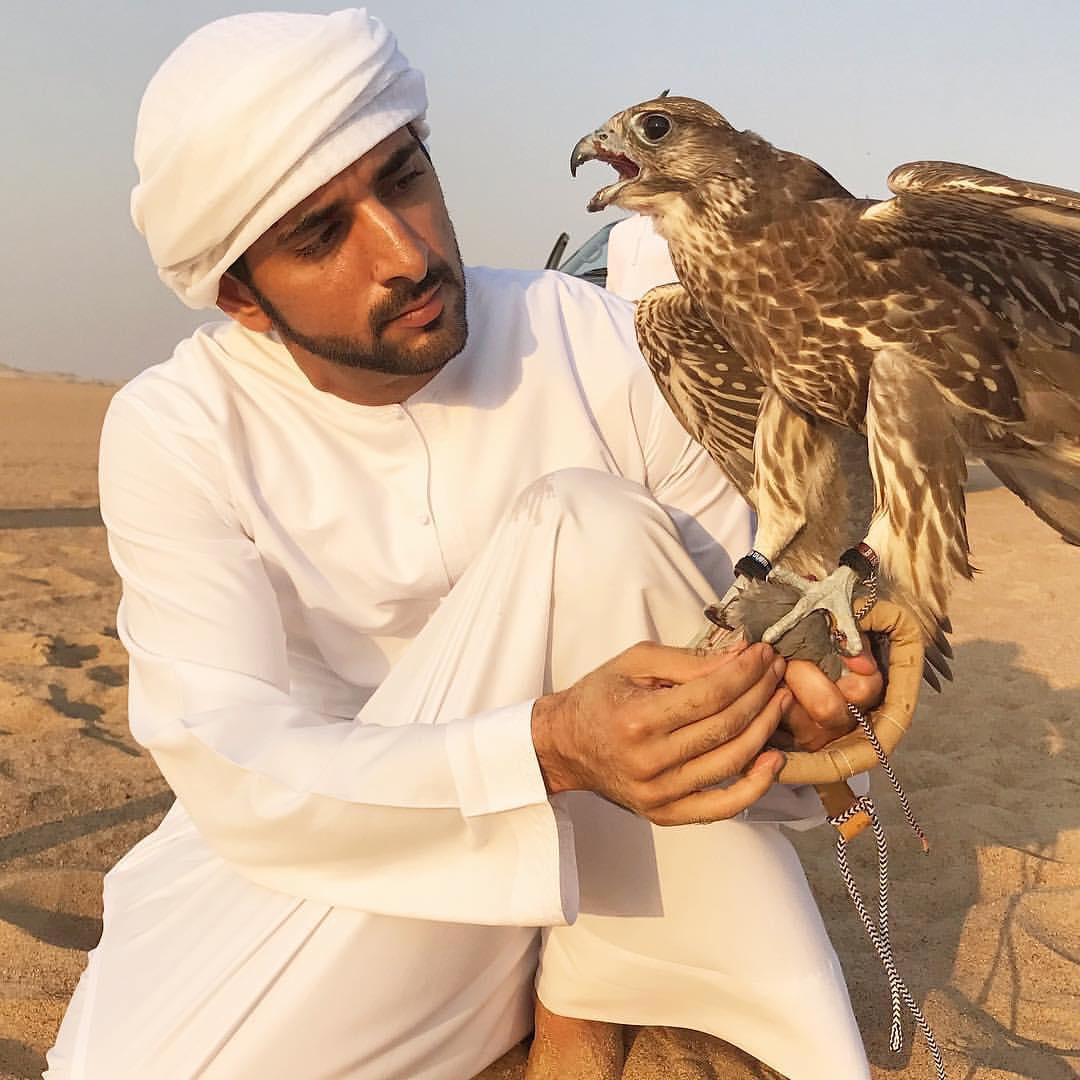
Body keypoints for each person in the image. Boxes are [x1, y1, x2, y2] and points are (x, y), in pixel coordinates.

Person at [45, 10, 887, 1079]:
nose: (404, 251)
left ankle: (605, 1006)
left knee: (590, 526)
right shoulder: (178, 429)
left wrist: (811, 692)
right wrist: (543, 750)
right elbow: (234, 756)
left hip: (642, 875)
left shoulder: (592, 339)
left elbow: (748, 608)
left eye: (404, 177)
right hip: (359, 868)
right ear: (240, 298)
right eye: (319, 236)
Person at [604, 212, 678, 302]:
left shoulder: (682, 226)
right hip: (623, 313)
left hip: (668, 311)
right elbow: (612, 287)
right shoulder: (618, 230)